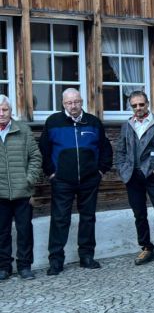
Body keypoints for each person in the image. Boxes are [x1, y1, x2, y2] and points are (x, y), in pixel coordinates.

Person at [39, 88, 113, 274]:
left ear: (82, 102)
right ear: (63, 104)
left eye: (76, 102)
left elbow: (105, 148)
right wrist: (51, 173)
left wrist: (100, 170)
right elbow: (44, 151)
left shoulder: (93, 122)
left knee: (88, 218)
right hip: (62, 180)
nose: (73, 106)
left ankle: (86, 256)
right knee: (60, 219)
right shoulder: (53, 122)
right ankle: (56, 260)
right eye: (69, 103)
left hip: (89, 180)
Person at [114, 90, 154, 267]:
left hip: (153, 175)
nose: (138, 108)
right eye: (134, 105)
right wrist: (122, 169)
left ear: (147, 104)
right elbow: (120, 151)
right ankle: (146, 248)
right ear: (131, 107)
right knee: (139, 214)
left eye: (141, 104)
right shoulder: (127, 125)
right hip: (133, 175)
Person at [0, 95, 40, 281]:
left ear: (10, 111)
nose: (1, 113)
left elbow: (35, 157)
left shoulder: (23, 130)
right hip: (0, 194)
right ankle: (4, 267)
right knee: (2, 233)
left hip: (22, 192)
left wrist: (29, 180)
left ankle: (25, 266)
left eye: (5, 109)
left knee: (25, 231)